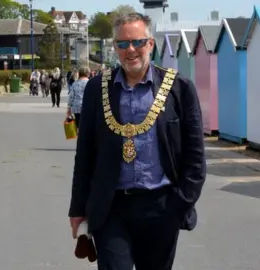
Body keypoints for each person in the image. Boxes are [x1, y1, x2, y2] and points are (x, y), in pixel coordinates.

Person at [68, 13, 206, 270]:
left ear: (151, 44)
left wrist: (180, 203)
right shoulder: (97, 89)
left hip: (161, 206)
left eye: (137, 42)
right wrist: (78, 208)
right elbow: (85, 154)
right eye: (122, 44)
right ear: (114, 47)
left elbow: (195, 157)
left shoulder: (179, 88)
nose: (130, 50)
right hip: (111, 207)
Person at [67, 66, 90, 130]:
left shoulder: (75, 83)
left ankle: (80, 136)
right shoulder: (90, 83)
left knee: (79, 125)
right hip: (87, 107)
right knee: (87, 126)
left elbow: (71, 97)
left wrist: (69, 108)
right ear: (87, 73)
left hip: (77, 107)